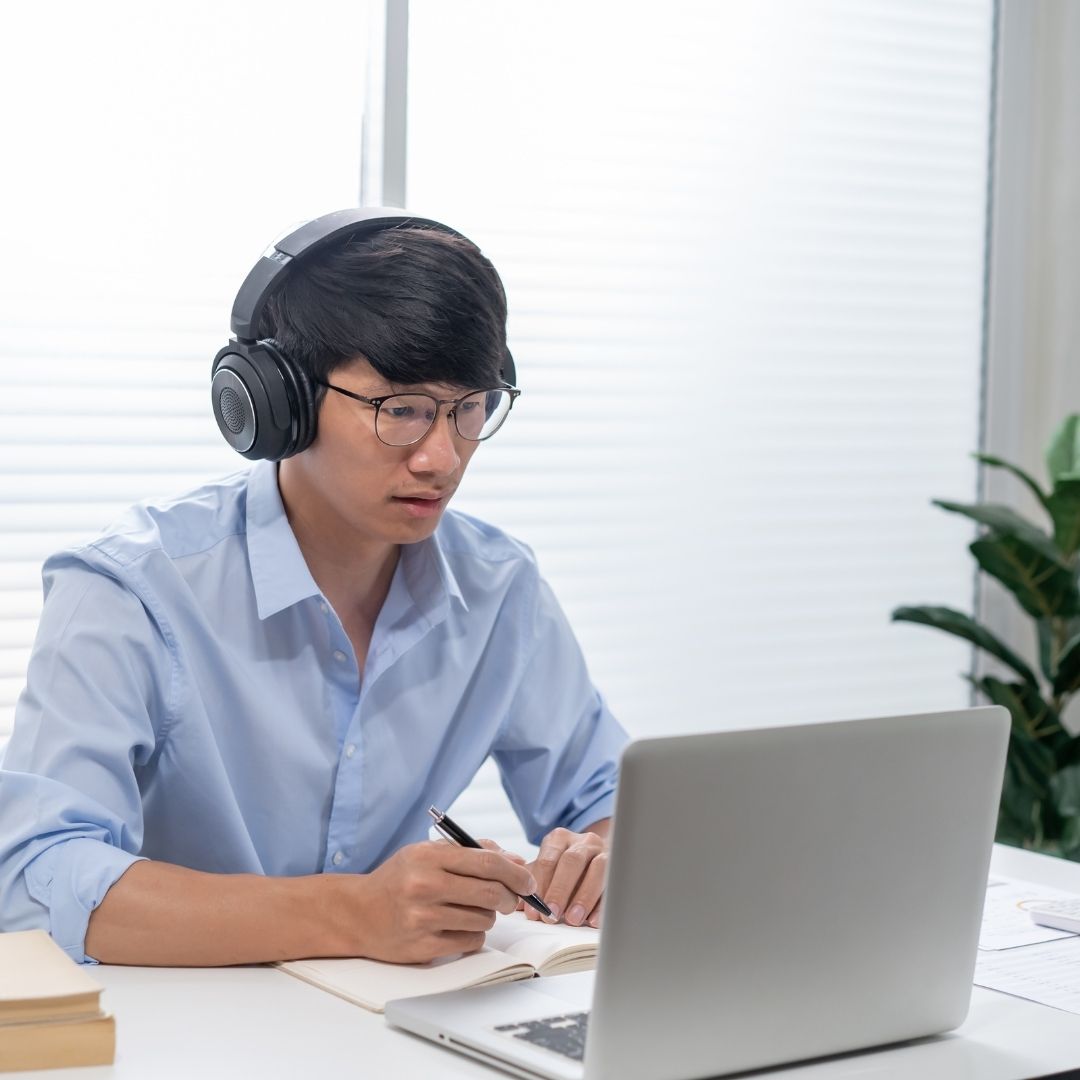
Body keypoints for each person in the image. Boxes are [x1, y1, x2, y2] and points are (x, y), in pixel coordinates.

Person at [0, 210, 627, 966]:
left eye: (469, 409)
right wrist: (349, 915)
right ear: (277, 402)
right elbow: (35, 877)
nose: (442, 456)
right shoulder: (132, 589)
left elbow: (611, 800)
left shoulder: (499, 587)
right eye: (401, 411)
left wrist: (596, 859)